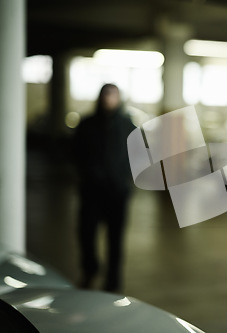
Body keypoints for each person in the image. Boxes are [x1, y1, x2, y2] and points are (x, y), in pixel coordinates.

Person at [74, 83, 136, 292]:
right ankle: (90, 271)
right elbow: (75, 153)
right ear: (100, 97)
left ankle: (113, 282)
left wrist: (123, 179)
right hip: (92, 191)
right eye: (106, 95)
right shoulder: (87, 124)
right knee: (86, 234)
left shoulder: (128, 126)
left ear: (119, 98)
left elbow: (137, 157)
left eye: (113, 95)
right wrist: (88, 173)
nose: (109, 99)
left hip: (117, 193)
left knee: (115, 240)